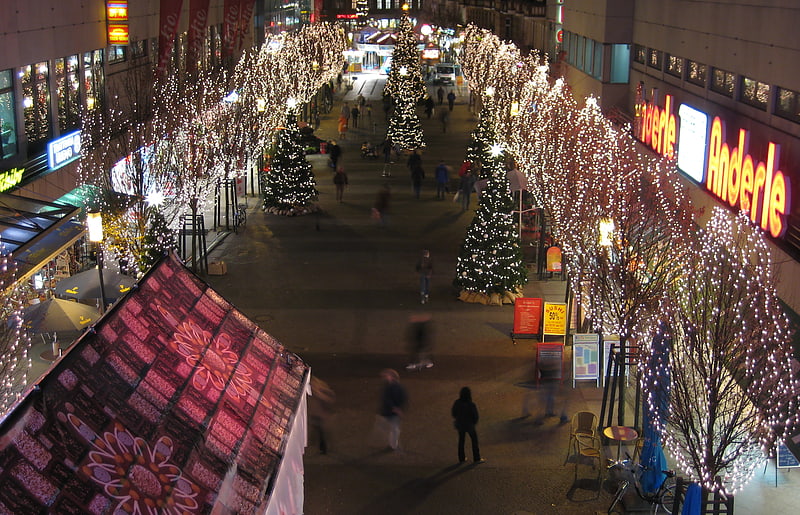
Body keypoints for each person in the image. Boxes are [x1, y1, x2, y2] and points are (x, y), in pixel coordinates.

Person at [452, 387, 484, 464]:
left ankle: (461, 458)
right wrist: (474, 422)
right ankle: (476, 458)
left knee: (461, 441)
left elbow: (453, 413)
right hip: (469, 425)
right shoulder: (471, 404)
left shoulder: (457, 403)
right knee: (474, 440)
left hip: (460, 425)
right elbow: (475, 416)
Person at [378, 369, 408, 450]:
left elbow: (389, 399)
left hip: (391, 413)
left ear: (392, 377)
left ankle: (393, 445)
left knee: (393, 429)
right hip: (390, 412)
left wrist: (396, 408)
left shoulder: (394, 387)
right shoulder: (391, 386)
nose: (385, 378)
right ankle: (393, 445)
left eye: (386, 376)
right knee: (393, 429)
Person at [308, 376, 336, 454]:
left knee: (321, 432)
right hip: (316, 414)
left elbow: (328, 398)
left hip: (320, 415)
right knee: (319, 431)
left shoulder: (319, 391)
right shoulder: (315, 391)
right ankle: (320, 446)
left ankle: (322, 447)